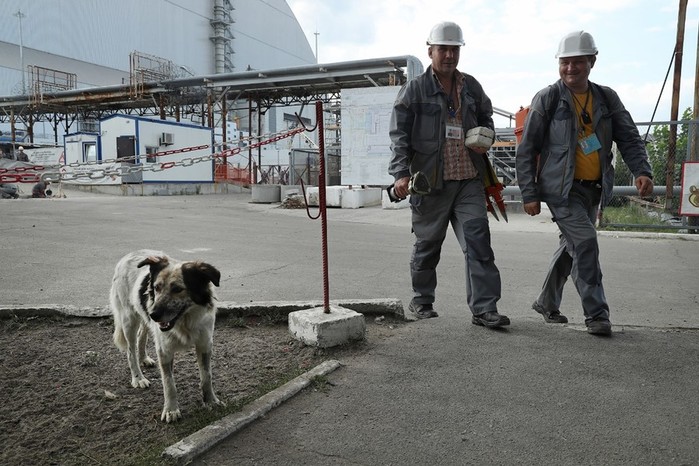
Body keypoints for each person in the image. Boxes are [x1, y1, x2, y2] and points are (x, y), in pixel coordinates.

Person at [515, 31, 654, 336]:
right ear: (558, 63)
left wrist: (642, 170)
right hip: (561, 190)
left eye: (578, 61)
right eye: (565, 62)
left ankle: (546, 301)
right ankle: (596, 314)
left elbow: (629, 136)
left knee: (572, 246)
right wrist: (529, 193)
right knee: (586, 243)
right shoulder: (547, 98)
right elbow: (527, 149)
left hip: (594, 188)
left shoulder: (606, 98)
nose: (570, 68)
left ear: (592, 61)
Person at [388, 21, 510, 328]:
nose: (449, 56)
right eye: (443, 49)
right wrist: (401, 174)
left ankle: (484, 309)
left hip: (469, 178)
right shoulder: (415, 90)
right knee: (428, 245)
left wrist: (485, 137)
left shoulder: (471, 86)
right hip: (430, 183)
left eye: (454, 50)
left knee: (478, 240)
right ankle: (422, 300)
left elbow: (486, 117)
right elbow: (399, 135)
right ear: (430, 51)